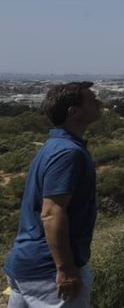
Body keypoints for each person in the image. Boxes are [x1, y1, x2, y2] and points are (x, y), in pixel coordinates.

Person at [4, 82, 102, 308]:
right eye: (91, 99)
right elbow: (51, 213)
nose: (98, 102)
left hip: (26, 266)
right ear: (74, 111)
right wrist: (65, 269)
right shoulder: (68, 152)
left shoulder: (53, 146)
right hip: (48, 275)